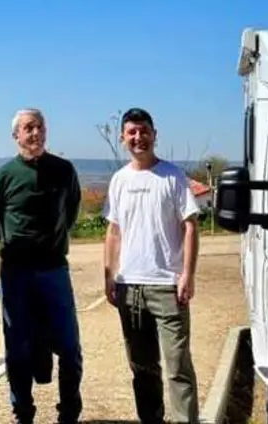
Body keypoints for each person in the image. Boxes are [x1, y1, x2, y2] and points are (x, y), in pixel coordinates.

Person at [102, 107, 202, 424]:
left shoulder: (173, 176)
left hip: (167, 287)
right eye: (132, 132)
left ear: (154, 135)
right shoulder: (119, 180)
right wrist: (109, 275)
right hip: (129, 286)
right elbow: (114, 231)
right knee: (142, 369)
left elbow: (190, 226)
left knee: (177, 368)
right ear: (123, 138)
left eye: (144, 131)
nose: (138, 137)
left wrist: (188, 274)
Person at [0, 108, 84, 424]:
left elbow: (70, 212)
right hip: (15, 274)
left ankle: (69, 412)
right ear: (16, 135)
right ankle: (22, 412)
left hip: (55, 270)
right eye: (28, 128)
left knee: (69, 347)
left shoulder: (64, 170)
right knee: (18, 347)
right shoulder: (2, 177)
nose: (35, 132)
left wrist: (50, 243)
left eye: (40, 126)